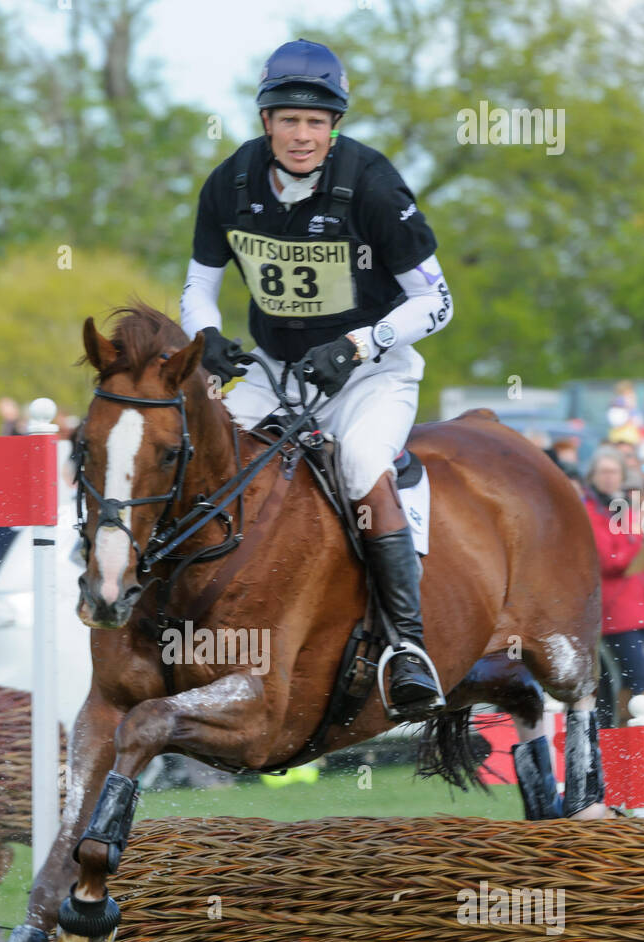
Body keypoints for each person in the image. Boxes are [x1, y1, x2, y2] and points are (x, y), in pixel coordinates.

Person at [180, 38, 453, 715]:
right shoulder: (230, 183)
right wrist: (205, 336)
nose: (302, 134)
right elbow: (197, 286)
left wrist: (361, 343)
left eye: (316, 121)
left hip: (371, 374)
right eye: (289, 118)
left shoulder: (373, 183)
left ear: (335, 125)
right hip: (273, 370)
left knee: (361, 462)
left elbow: (438, 301)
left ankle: (406, 646)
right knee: (195, 452)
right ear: (265, 119)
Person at [582, 447, 644, 748]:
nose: (610, 478)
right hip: (614, 611)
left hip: (636, 607)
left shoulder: (621, 509)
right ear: (593, 476)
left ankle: (621, 746)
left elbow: (637, 559)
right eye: (604, 472)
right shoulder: (591, 510)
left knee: (621, 684)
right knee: (638, 680)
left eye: (614, 472)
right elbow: (610, 560)